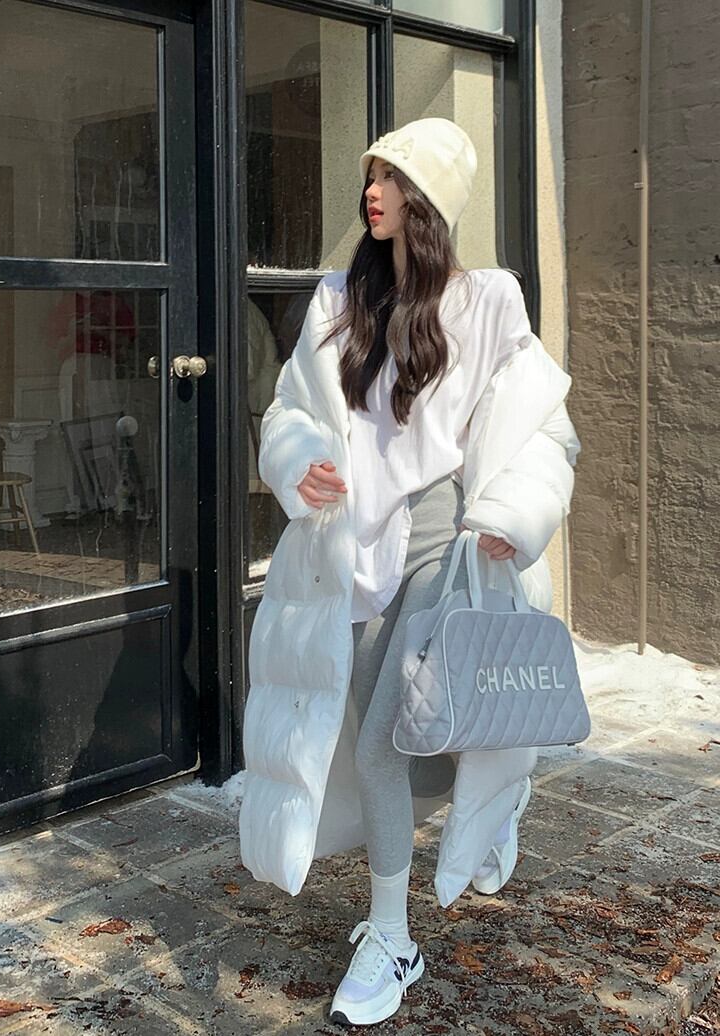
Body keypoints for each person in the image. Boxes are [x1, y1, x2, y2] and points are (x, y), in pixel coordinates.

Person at [239, 118, 580, 1027]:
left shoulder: (488, 301)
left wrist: (512, 516)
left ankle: (392, 937)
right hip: (351, 555)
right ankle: (488, 789)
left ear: (428, 199)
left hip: (441, 544)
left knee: (379, 749)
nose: (372, 192)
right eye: (370, 176)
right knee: (406, 746)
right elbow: (287, 412)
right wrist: (298, 462)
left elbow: (546, 430)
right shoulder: (336, 301)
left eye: (389, 178)